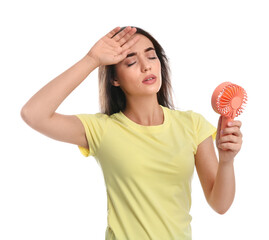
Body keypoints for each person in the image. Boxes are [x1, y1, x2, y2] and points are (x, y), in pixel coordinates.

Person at [21, 26, 243, 240]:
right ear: (114, 79)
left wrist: (226, 161)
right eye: (131, 62)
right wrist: (91, 60)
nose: (146, 67)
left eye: (151, 57)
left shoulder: (192, 124)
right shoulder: (102, 129)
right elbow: (33, 114)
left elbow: (220, 204)